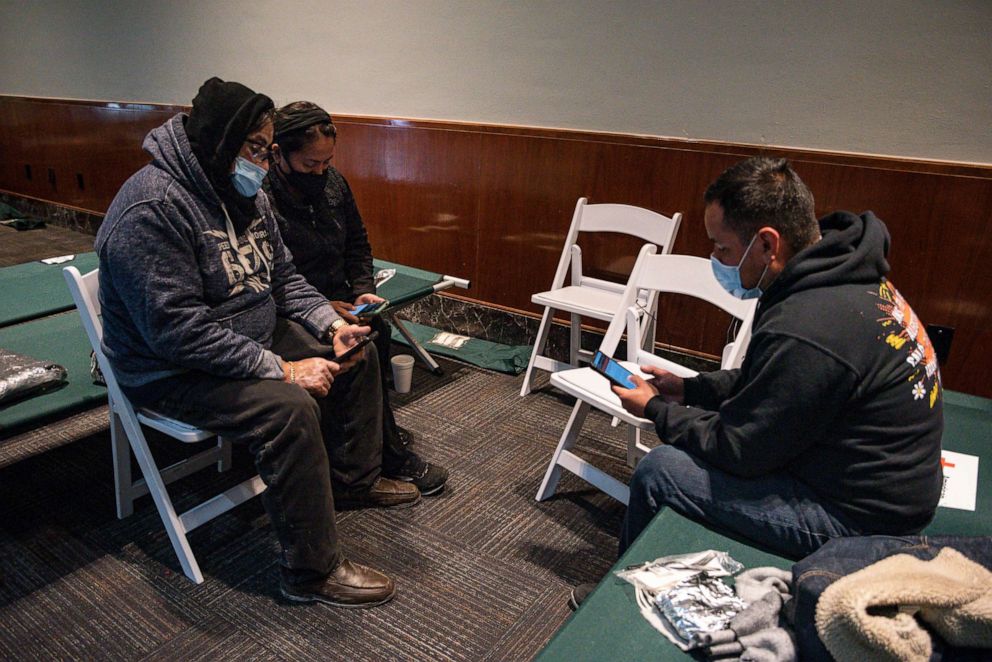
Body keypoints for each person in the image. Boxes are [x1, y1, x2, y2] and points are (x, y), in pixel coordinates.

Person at [95, 77, 420, 608]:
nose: (264, 162)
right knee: (288, 409)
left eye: (268, 150)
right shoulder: (151, 209)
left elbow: (284, 279)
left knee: (357, 352)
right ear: (219, 143)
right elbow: (177, 333)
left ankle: (351, 483)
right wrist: (283, 370)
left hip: (246, 334)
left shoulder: (244, 191)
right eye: (254, 149)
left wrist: (329, 325)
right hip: (171, 370)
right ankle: (309, 573)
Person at [613, 156, 944, 562]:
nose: (717, 260)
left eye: (722, 247)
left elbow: (738, 449)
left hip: (864, 523)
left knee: (660, 472)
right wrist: (690, 388)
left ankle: (623, 593)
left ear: (768, 244)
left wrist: (656, 409)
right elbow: (772, 381)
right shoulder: (842, 273)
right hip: (882, 484)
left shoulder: (807, 324)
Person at [263, 100, 448, 495]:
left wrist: (364, 287)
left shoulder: (334, 183)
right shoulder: (261, 199)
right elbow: (270, 280)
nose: (322, 171)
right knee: (354, 347)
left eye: (327, 161)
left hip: (342, 297)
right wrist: (324, 308)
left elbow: (358, 245)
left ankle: (376, 442)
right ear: (278, 153)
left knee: (374, 326)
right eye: (311, 164)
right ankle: (375, 459)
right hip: (294, 307)